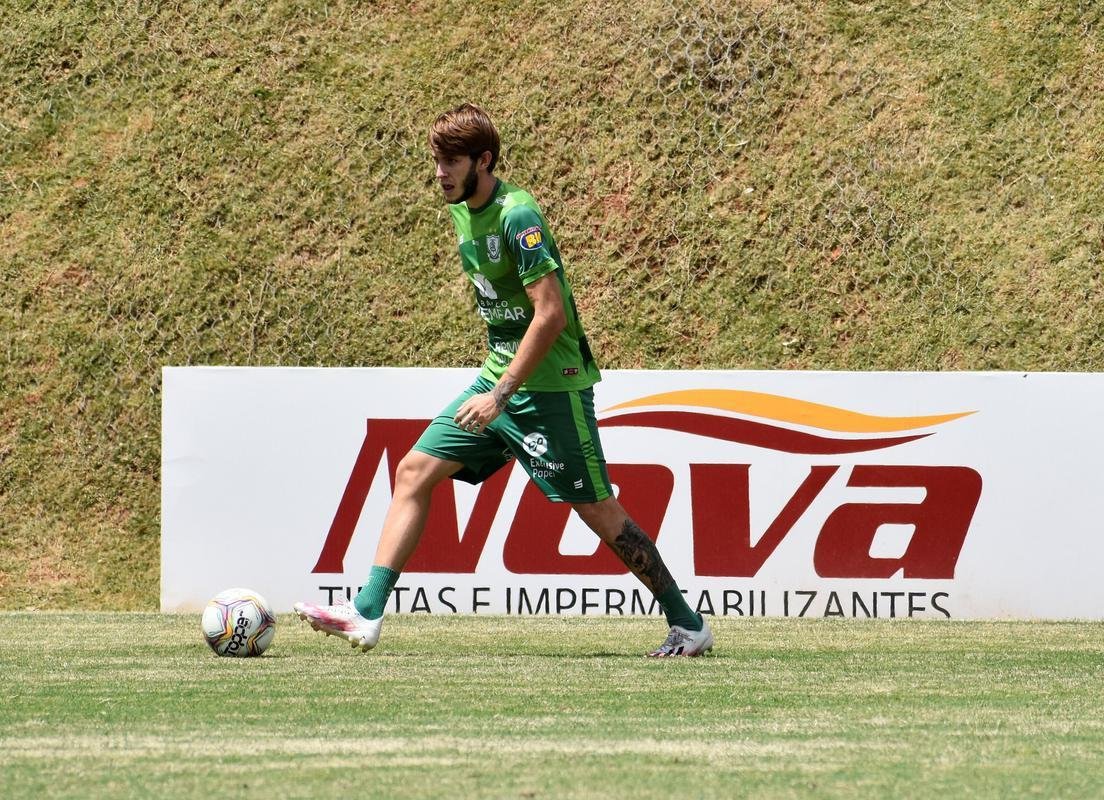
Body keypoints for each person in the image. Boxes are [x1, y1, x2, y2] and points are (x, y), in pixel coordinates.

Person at [294, 104, 713, 657]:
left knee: (598, 511)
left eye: (451, 161)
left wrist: (500, 394)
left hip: (550, 388)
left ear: (483, 161)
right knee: (414, 470)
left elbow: (551, 314)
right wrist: (496, 387)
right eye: (436, 161)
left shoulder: (519, 215)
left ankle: (688, 624)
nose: (439, 172)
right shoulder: (462, 209)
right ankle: (367, 612)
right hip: (500, 376)